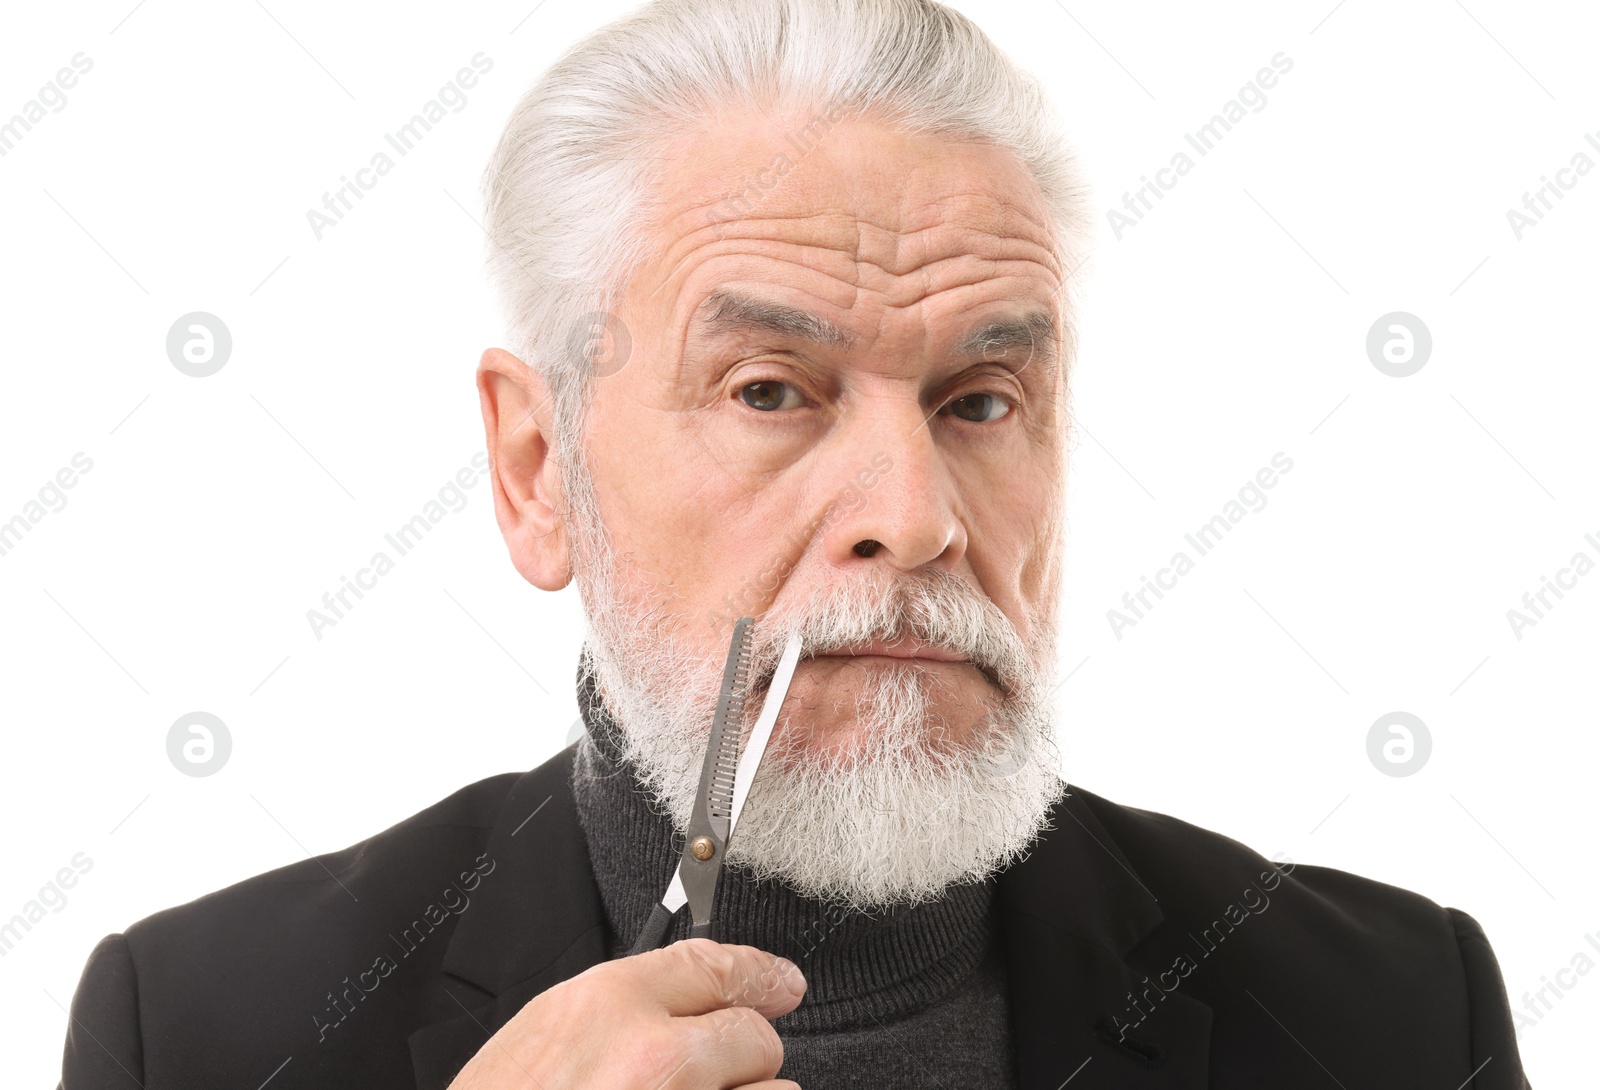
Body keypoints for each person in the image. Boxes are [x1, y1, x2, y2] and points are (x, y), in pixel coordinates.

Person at [59, 1, 1530, 1086]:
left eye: (980, 398)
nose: (918, 514)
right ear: (537, 469)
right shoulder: (203, 1030)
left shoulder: (1395, 1021)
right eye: (772, 390)